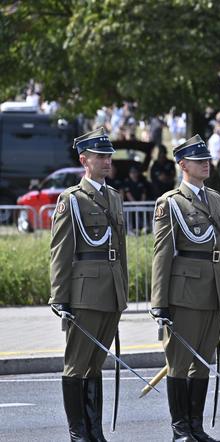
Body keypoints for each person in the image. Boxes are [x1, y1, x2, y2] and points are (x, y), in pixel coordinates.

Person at [150, 135, 220, 442]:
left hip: (212, 292)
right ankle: (180, 428)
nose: (206, 164)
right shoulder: (170, 203)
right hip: (184, 293)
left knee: (202, 362)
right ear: (183, 165)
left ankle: (196, 427)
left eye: (207, 159)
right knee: (180, 363)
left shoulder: (216, 200)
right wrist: (160, 302)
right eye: (199, 161)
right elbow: (162, 254)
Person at [49, 127, 128, 442]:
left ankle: (95, 431)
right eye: (100, 156)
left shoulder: (114, 197)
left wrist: (122, 290)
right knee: (77, 365)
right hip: (84, 292)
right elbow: (61, 250)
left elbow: (120, 250)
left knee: (96, 365)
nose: (107, 160)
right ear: (84, 160)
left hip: (110, 291)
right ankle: (78, 432)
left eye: (108, 155)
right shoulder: (72, 199)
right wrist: (60, 298)